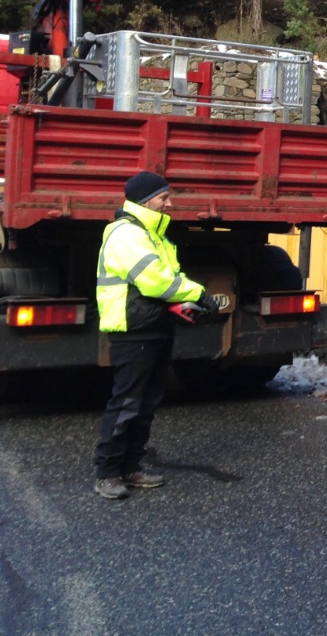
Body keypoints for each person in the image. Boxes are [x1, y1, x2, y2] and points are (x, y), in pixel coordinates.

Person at [93, 172, 216, 500]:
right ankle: (107, 473)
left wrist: (182, 303)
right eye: (164, 198)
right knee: (127, 403)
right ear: (146, 201)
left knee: (145, 404)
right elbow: (155, 281)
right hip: (133, 332)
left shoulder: (151, 234)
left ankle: (131, 468)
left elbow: (163, 283)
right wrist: (200, 293)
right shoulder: (127, 234)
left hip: (153, 327)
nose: (170, 203)